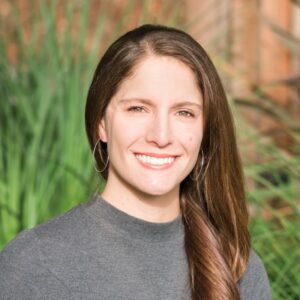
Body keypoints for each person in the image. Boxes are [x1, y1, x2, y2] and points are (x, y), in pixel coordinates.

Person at [0, 24, 271, 300]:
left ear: (205, 130)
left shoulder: (238, 268)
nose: (161, 136)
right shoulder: (33, 264)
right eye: (138, 109)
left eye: (184, 113)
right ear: (101, 124)